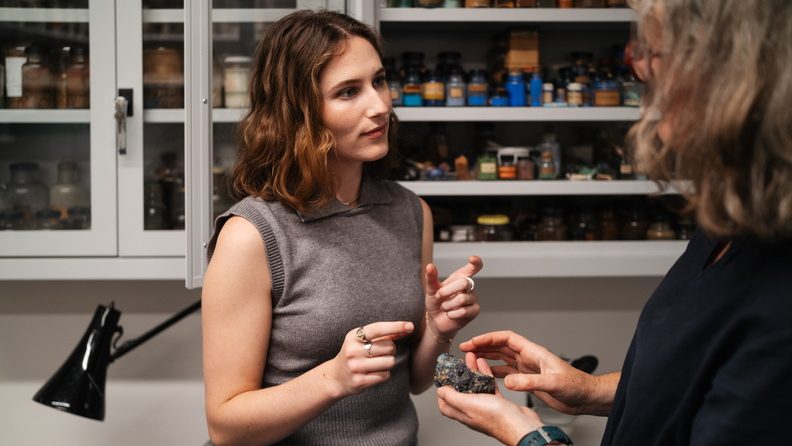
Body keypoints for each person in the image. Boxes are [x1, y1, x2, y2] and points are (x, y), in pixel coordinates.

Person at [436, 0, 792, 444]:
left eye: (655, 53)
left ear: (729, 73)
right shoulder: (732, 221)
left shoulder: (779, 302)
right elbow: (691, 383)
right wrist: (588, 390)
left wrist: (533, 437)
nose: (638, 67)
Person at [201, 10, 483, 446]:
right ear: (298, 114)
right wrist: (332, 378)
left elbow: (414, 381)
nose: (380, 105)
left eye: (379, 81)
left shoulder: (410, 212)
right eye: (349, 92)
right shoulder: (252, 235)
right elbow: (225, 426)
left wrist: (438, 328)